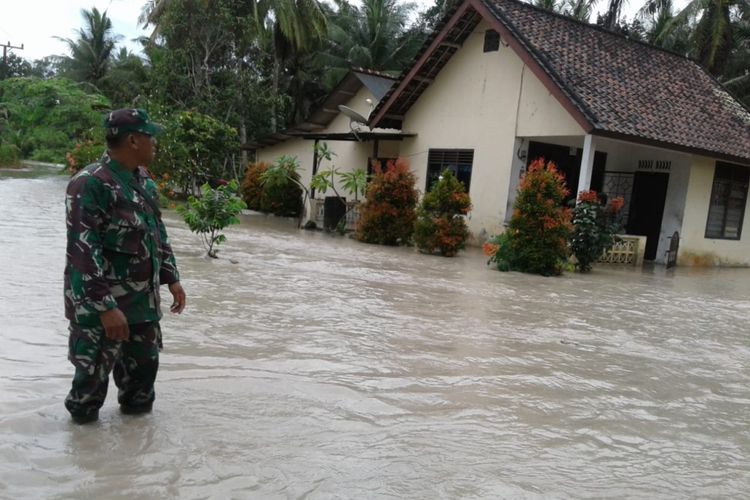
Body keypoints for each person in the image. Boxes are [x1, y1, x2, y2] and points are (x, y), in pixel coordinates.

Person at [64, 108, 186, 424]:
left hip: (142, 308)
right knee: (86, 402)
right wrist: (105, 307)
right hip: (101, 312)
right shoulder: (90, 184)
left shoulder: (144, 181)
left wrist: (171, 276)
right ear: (133, 140)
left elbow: (157, 231)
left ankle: (133, 466)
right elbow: (83, 252)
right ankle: (88, 465)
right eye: (150, 136)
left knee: (141, 398)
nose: (155, 143)